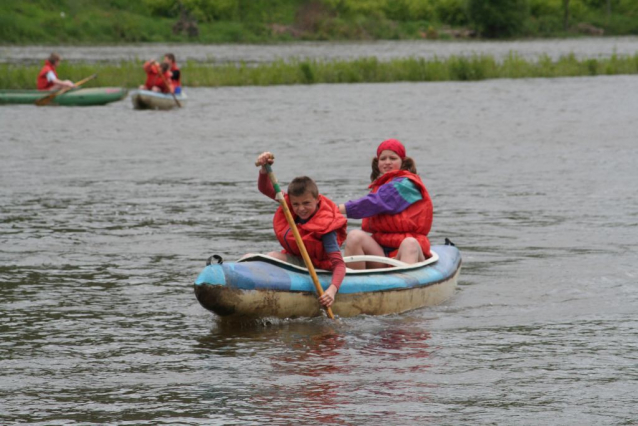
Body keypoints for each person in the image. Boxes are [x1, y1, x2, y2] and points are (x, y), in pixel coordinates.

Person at [255, 152, 347, 308]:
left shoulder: (326, 226)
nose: (301, 209)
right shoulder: (288, 204)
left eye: (306, 203)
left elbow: (339, 265)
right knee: (266, 257)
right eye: (296, 204)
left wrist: (332, 290)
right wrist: (264, 169)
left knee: (271, 256)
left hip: (319, 268)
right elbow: (265, 188)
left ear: (317, 200)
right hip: (300, 260)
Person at [338, 139, 433, 270]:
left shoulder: (408, 184)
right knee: (354, 236)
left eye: (393, 158)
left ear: (403, 162)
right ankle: (356, 285)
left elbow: (377, 202)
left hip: (408, 251)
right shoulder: (380, 186)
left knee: (409, 243)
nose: (387, 162)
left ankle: (404, 286)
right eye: (383, 159)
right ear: (378, 163)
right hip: (381, 250)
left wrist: (337, 209)